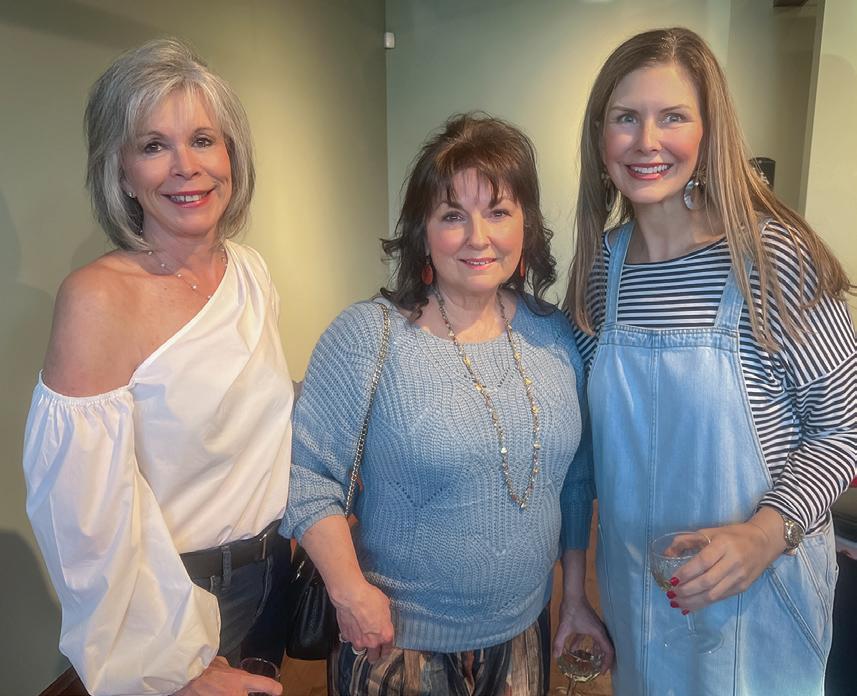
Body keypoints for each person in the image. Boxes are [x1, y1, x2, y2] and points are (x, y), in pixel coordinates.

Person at [560, 26, 857, 695]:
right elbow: (582, 451)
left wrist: (764, 534)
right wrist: (572, 589)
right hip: (639, 596)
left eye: (672, 117)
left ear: (708, 132)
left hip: (762, 596)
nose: (646, 141)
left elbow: (842, 429)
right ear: (599, 136)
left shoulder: (773, 259)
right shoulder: (601, 271)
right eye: (625, 118)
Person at [280, 113, 612, 695]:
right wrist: (349, 593)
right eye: (453, 215)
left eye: (498, 212)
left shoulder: (554, 333)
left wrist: (576, 597)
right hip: (396, 643)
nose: (478, 237)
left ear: (527, 225)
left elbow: (575, 478)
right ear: (424, 232)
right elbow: (306, 478)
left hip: (524, 633)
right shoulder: (368, 337)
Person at [23, 39, 291, 696]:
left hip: (273, 574)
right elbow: (86, 523)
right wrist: (178, 667)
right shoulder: (97, 298)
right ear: (120, 171)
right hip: (176, 606)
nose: (185, 167)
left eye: (202, 140)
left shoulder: (250, 271)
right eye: (153, 146)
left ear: (231, 155)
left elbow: (250, 417)